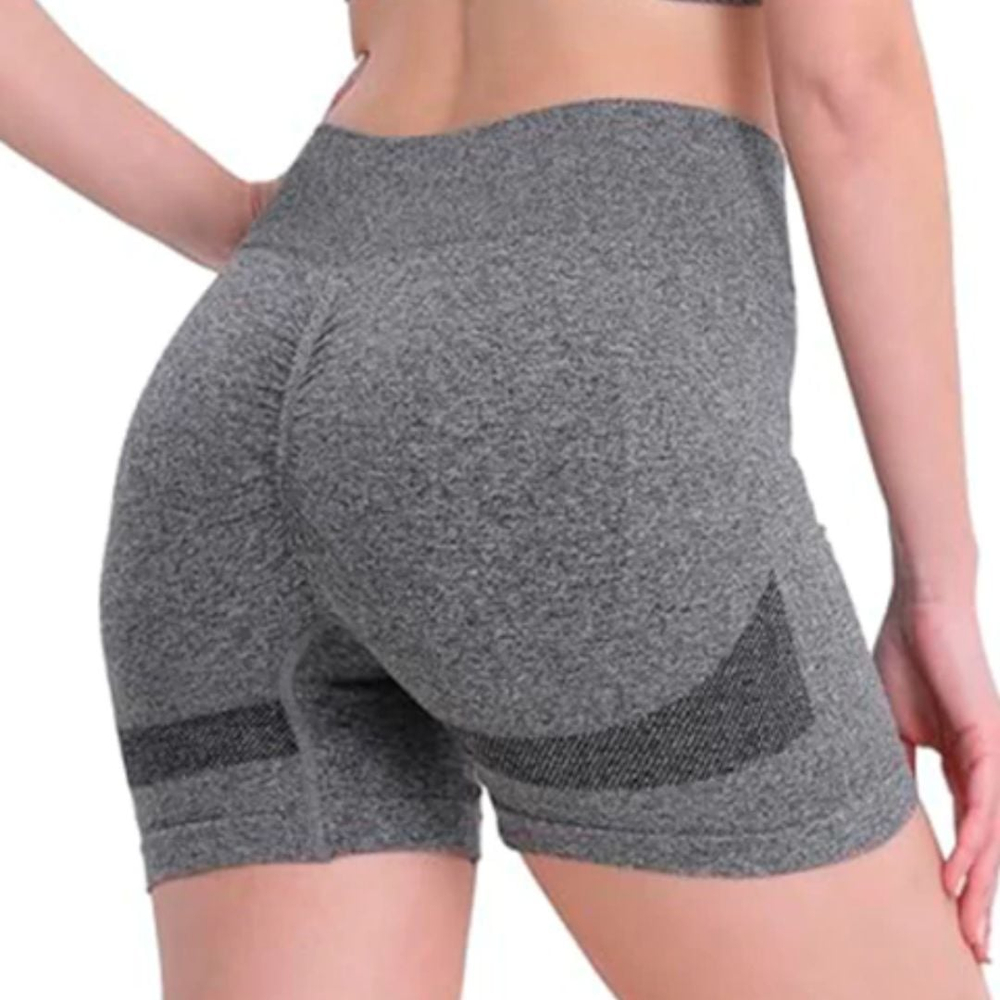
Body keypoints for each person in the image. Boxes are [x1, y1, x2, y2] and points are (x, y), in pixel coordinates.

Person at [3, 0, 996, 996]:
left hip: (247, 369)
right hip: (567, 383)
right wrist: (938, 588)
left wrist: (229, 218)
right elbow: (852, 84)